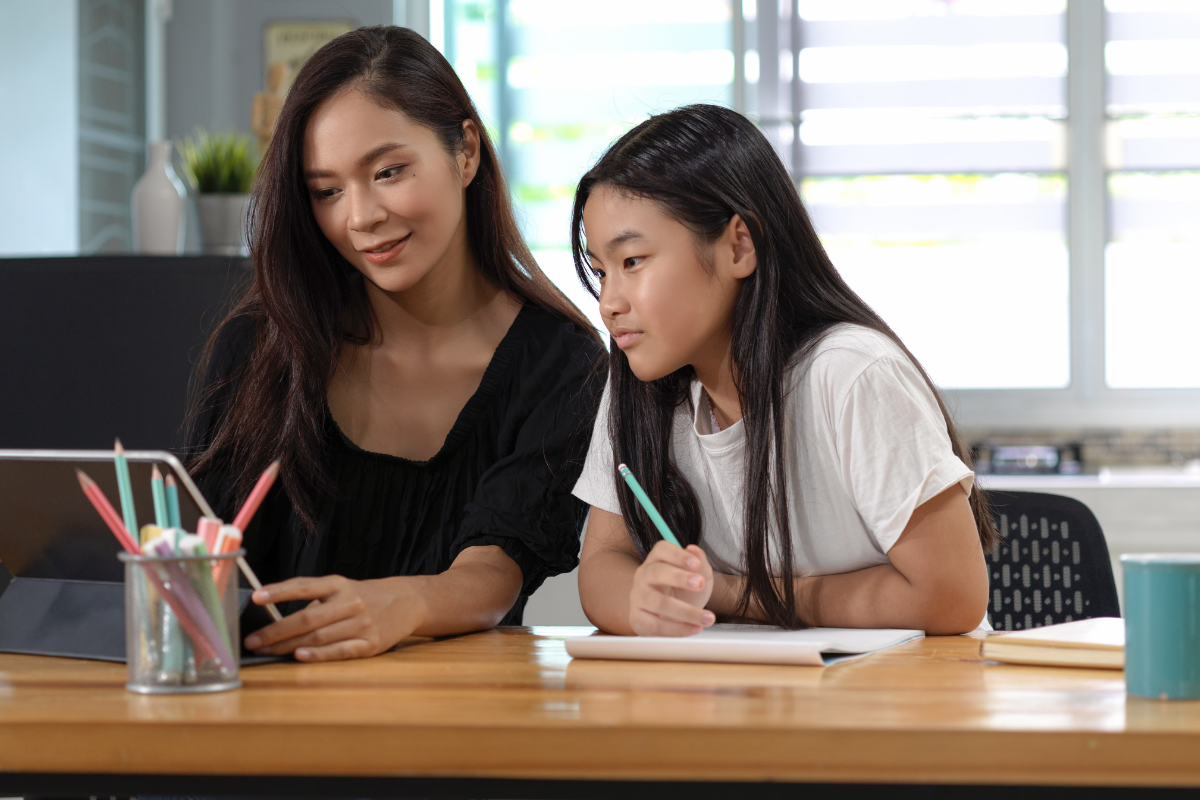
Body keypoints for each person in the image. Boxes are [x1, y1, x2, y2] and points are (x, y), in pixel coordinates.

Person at [187, 26, 603, 662]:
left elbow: (495, 568)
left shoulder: (562, 364)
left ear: (465, 152)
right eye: (326, 190)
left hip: (455, 728)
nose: (360, 216)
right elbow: (200, 557)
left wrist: (410, 602)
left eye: (387, 172)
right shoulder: (260, 349)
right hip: (260, 721)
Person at [571, 104, 998, 637]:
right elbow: (601, 566)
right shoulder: (639, 377)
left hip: (903, 700)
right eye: (600, 269)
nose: (608, 302)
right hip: (750, 702)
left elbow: (950, 597)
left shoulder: (851, 375)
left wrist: (735, 594)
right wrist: (641, 599)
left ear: (738, 245)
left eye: (632, 261)